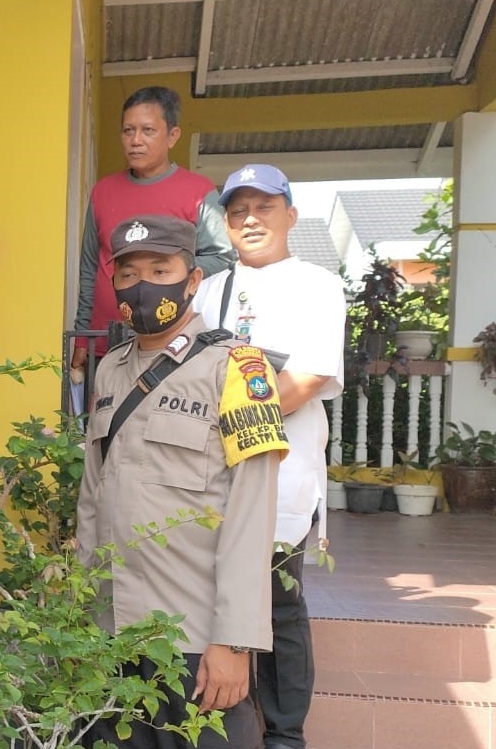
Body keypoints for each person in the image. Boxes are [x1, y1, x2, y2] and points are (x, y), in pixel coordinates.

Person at [77, 214, 287, 749]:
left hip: (193, 637)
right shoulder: (110, 369)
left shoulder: (238, 368)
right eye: (128, 274)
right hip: (113, 634)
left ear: (192, 280)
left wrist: (235, 640)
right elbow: (92, 499)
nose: (142, 285)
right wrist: (82, 615)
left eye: (159, 270)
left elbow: (252, 512)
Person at [192, 164, 345, 749]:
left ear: (290, 215)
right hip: (211, 474)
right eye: (238, 211)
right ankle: (224, 725)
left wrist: (230, 425)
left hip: (283, 470)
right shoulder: (210, 290)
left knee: (279, 600)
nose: (250, 219)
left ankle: (284, 734)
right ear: (226, 224)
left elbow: (307, 378)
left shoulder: (317, 285)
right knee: (213, 594)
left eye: (264, 207)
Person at [72, 85, 236, 371]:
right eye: (128, 131)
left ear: (172, 136)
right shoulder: (102, 192)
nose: (135, 140)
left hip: (171, 344)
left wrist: (164, 273)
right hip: (104, 341)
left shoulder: (198, 191)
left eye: (147, 130)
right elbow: (89, 269)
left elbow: (222, 258)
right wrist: (82, 336)